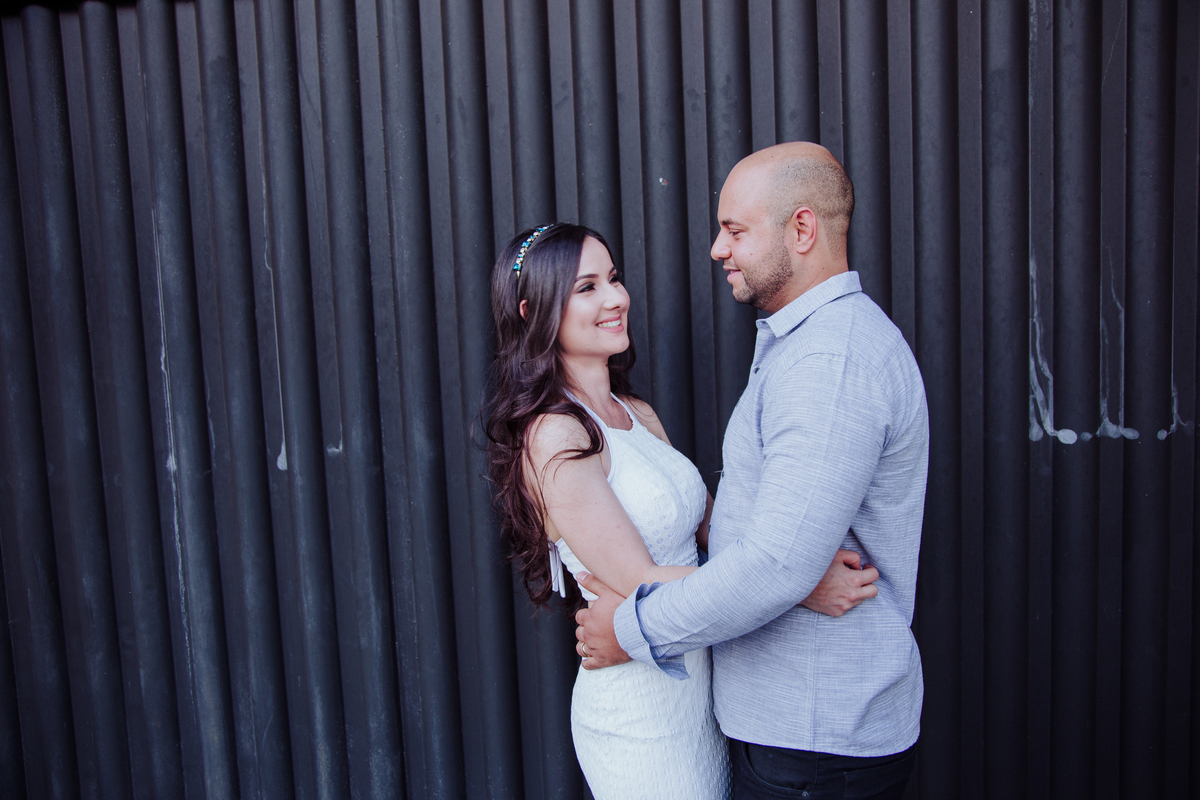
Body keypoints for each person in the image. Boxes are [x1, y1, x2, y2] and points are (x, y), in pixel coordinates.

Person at [575, 142, 929, 800]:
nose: (717, 249)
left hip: (813, 740)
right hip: (793, 731)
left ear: (802, 229)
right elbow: (770, 544)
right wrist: (795, 575)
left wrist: (631, 630)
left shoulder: (830, 363)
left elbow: (774, 567)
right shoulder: (810, 346)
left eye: (735, 231)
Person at [483, 222, 879, 800]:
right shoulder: (554, 435)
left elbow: (716, 530)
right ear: (532, 313)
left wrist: (787, 561)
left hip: (703, 691)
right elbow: (642, 582)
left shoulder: (636, 413)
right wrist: (798, 585)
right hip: (641, 710)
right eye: (587, 288)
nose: (615, 298)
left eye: (613, 278)